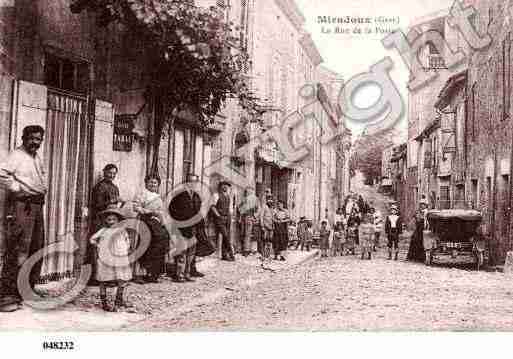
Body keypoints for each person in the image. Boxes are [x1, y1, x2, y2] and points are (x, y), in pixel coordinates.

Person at [0, 125, 47, 312]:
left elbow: (41, 176)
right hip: (22, 206)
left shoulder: (36, 156)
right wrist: (19, 189)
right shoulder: (16, 155)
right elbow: (2, 175)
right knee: (18, 249)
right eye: (32, 138)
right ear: (24, 137)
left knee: (37, 247)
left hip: (36, 205)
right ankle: (6, 296)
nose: (35, 142)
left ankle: (27, 292)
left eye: (39, 139)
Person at [89, 205, 132, 312]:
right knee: (103, 280)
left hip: (119, 257)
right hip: (106, 258)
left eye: (114, 219)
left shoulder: (122, 230)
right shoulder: (103, 230)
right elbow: (92, 239)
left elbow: (127, 241)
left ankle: (118, 301)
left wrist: (125, 251)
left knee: (121, 278)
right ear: (106, 220)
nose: (112, 221)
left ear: (118, 220)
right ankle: (104, 303)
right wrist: (98, 245)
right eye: (109, 219)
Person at [88, 164, 122, 284]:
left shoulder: (115, 187)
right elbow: (97, 205)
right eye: (109, 172)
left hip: (110, 221)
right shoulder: (99, 187)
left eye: (114, 173)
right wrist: (112, 201)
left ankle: (109, 277)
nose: (111, 175)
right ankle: (95, 277)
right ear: (104, 172)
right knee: (98, 249)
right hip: (100, 220)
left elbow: (115, 206)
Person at [132, 175, 170, 283]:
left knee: (158, 244)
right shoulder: (141, 194)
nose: (153, 184)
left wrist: (162, 221)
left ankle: (153, 273)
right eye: (150, 182)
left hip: (154, 222)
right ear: (146, 183)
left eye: (155, 183)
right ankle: (139, 274)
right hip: (143, 221)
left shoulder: (158, 197)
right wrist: (148, 211)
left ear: (158, 185)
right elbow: (136, 207)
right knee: (143, 245)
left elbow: (161, 211)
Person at [168, 173, 203, 282]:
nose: (192, 184)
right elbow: (171, 210)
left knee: (191, 252)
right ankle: (179, 274)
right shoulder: (179, 195)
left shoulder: (197, 196)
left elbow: (198, 211)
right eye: (190, 181)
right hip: (181, 228)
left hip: (193, 228)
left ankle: (187, 273)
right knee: (181, 251)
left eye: (195, 182)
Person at [211, 181, 234, 261]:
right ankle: (230, 253)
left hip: (227, 218)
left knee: (226, 236)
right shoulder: (216, 195)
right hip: (220, 219)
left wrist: (230, 217)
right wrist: (218, 216)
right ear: (220, 187)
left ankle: (225, 255)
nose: (225, 187)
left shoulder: (228, 196)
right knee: (225, 236)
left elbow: (230, 209)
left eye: (226, 186)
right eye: (223, 186)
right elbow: (213, 207)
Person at [237, 186, 259, 256]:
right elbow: (239, 208)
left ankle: (247, 250)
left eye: (248, 191)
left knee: (248, 234)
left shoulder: (255, 199)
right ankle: (243, 248)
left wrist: (254, 217)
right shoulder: (244, 199)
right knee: (243, 233)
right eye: (246, 191)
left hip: (249, 217)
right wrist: (240, 217)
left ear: (251, 191)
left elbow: (258, 209)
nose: (247, 192)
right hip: (244, 217)